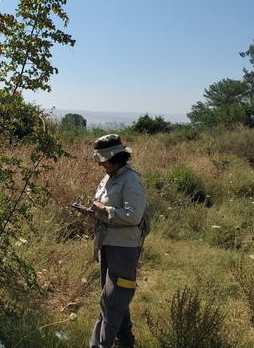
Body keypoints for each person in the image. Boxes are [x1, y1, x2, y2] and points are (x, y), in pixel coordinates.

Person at [75, 134, 147, 348]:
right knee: (115, 298)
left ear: (115, 157)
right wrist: (93, 212)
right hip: (108, 244)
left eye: (103, 160)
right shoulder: (110, 175)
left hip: (124, 249)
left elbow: (134, 216)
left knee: (111, 303)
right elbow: (106, 208)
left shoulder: (130, 179)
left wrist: (105, 210)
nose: (100, 164)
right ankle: (125, 343)